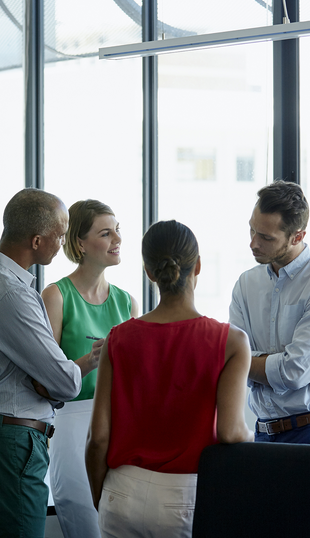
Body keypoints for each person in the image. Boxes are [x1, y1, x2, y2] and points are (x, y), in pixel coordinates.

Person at [85, 220, 253, 538]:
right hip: (185, 495)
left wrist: (103, 496)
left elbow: (98, 438)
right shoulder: (231, 341)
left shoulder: (117, 339)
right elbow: (231, 432)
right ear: (199, 266)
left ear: (149, 272)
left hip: (122, 490)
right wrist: (254, 441)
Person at [0, 187, 100, 538]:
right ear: (37, 241)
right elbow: (63, 381)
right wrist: (93, 359)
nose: (62, 243)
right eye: (60, 235)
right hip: (10, 442)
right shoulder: (11, 292)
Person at [229, 180, 310, 447]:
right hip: (263, 433)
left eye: (266, 237)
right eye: (252, 230)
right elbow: (228, 359)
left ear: (297, 236)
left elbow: (294, 371)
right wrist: (295, 365)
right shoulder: (246, 284)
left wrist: (247, 362)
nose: (253, 243)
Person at [41, 199, 138, 538]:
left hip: (122, 426)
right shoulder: (55, 296)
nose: (117, 240)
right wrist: (91, 360)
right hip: (72, 424)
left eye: (118, 232)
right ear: (80, 243)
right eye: (106, 233)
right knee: (85, 525)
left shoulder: (127, 301)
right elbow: (46, 380)